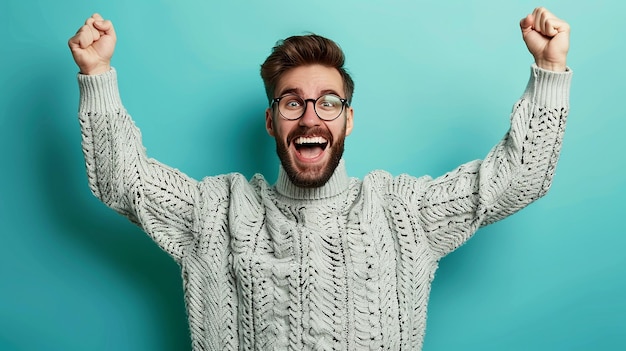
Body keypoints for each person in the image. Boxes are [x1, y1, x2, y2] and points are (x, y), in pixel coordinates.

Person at [68, 7, 571, 351]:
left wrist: (549, 68)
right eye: (292, 102)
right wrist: (97, 74)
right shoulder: (216, 212)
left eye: (328, 102)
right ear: (272, 122)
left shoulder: (400, 212)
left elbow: (517, 178)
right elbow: (122, 179)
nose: (311, 117)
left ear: (348, 119)